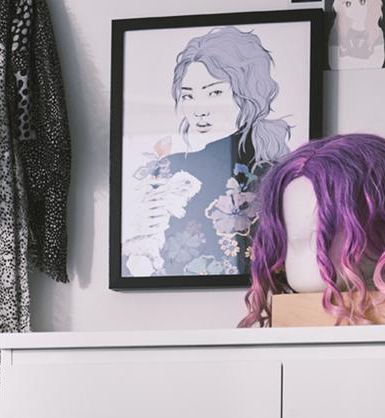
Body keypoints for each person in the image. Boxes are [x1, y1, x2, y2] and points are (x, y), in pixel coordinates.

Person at [122, 25, 292, 279]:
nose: (199, 110)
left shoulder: (278, 169)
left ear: (248, 93)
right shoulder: (170, 167)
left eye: (214, 93)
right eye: (188, 96)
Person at [328, 0, 385, 70]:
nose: (355, 8)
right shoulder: (336, 32)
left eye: (362, 1)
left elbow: (377, 63)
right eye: (348, 3)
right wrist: (365, 63)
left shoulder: (377, 32)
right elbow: (334, 63)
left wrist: (348, 61)